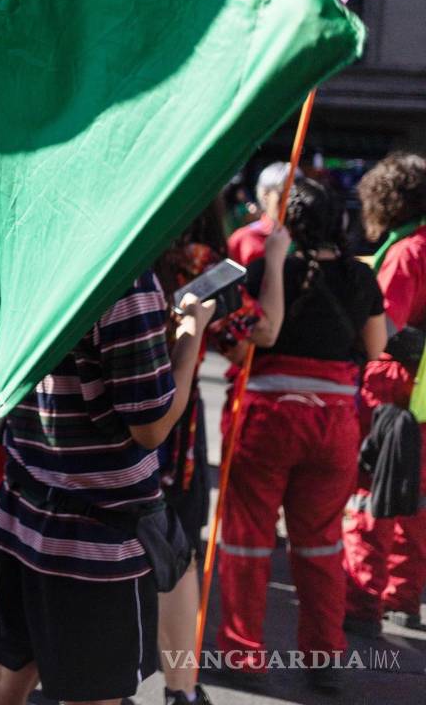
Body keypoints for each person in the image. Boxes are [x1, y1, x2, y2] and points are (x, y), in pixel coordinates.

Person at [0, 272, 216, 705]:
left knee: (9, 670)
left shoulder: (24, 257)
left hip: (25, 507)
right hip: (94, 538)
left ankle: (183, 690)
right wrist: (190, 334)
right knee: (92, 696)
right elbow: (151, 426)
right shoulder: (124, 279)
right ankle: (184, 692)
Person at [216, 179, 386, 692]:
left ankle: (243, 653)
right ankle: (325, 655)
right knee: (320, 544)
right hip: (333, 422)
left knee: (247, 541)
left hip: (265, 417)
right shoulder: (360, 277)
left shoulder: (267, 269)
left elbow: (242, 341)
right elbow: (375, 350)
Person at [153, 208, 289, 705]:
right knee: (175, 555)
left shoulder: (110, 252)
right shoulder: (198, 260)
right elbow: (259, 333)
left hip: (87, 423)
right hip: (169, 429)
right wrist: (275, 259)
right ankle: (180, 688)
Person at [342, 153, 426, 635]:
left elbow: (384, 328)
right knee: (415, 498)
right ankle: (403, 597)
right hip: (421, 397)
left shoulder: (407, 252)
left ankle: (362, 602)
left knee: (372, 494)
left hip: (394, 394)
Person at [227, 162, 301, 266]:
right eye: (284, 195)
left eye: (297, 196)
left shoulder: (308, 235)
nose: (291, 201)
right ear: (266, 195)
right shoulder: (243, 239)